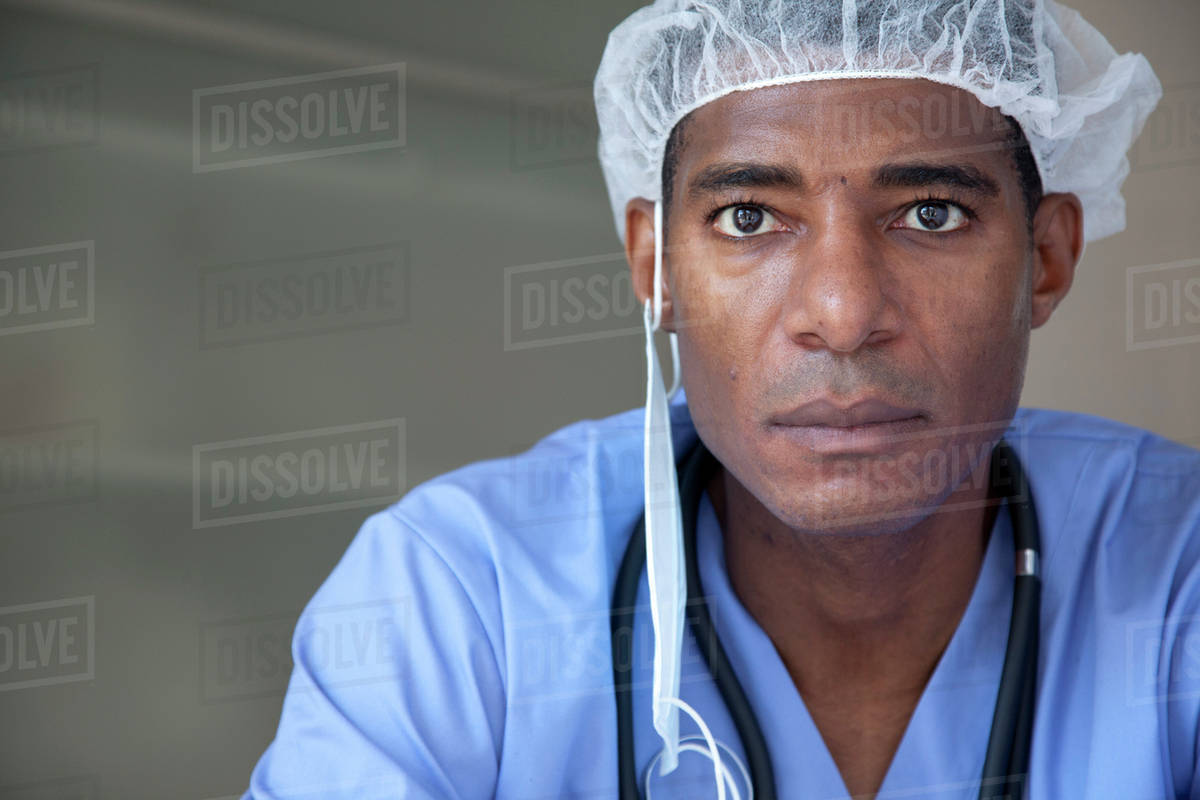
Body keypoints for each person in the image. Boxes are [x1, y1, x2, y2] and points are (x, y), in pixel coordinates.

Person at [244, 1, 1199, 798]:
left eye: (929, 214)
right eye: (749, 218)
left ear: (1045, 257)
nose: (842, 312)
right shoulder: (459, 599)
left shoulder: (1178, 570)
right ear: (654, 265)